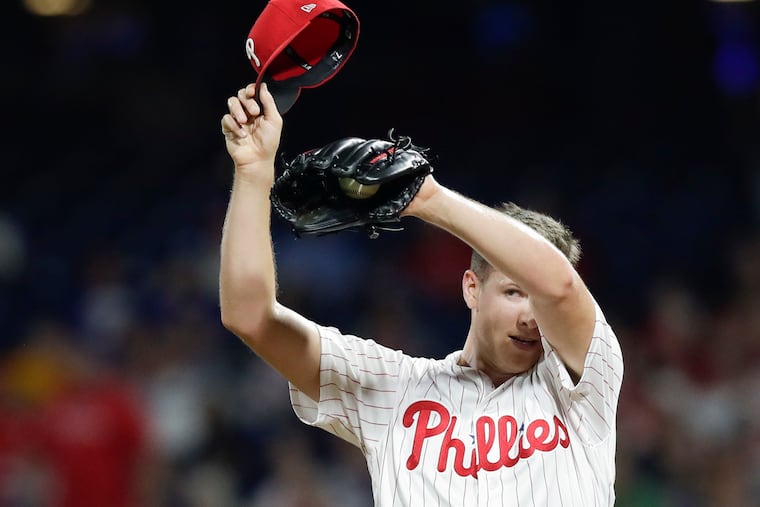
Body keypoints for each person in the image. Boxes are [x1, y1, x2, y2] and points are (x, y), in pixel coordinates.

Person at [219, 82, 624, 507]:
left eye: (537, 301)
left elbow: (558, 287)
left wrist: (427, 199)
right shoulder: (396, 390)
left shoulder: (581, 382)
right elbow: (249, 316)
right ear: (472, 288)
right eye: (513, 292)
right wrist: (253, 172)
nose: (530, 317)